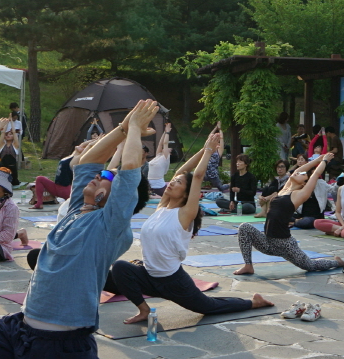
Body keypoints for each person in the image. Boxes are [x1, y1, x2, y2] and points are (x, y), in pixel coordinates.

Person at [0, 100, 156, 359]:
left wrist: (134, 128)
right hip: (20, 326)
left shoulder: (110, 227)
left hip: (63, 344)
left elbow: (130, 168)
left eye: (110, 178)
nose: (102, 174)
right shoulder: (79, 208)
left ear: (117, 198)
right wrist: (123, 128)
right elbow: (89, 160)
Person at [111, 131, 273, 324]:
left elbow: (196, 176)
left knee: (208, 307)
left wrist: (209, 151)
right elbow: (183, 172)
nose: (172, 182)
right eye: (173, 181)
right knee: (120, 268)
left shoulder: (186, 213)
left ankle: (253, 303)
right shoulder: (163, 205)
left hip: (172, 281)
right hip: (149, 276)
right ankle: (144, 310)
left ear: (187, 193)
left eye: (177, 182)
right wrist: (204, 148)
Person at [234, 153, 344, 276]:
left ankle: (336, 263)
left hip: (284, 244)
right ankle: (248, 266)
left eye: (303, 175)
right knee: (244, 227)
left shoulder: (300, 194)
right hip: (267, 241)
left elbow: (314, 176)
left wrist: (324, 161)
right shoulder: (285, 189)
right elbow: (298, 170)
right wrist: (317, 160)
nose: (299, 173)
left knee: (310, 265)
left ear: (304, 183)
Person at [31, 141, 85, 209]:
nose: (79, 147)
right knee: (39, 178)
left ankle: (70, 204)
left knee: (71, 205)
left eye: (81, 148)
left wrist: (93, 143)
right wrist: (91, 141)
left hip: (66, 190)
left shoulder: (76, 159)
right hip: (56, 187)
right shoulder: (71, 156)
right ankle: (39, 204)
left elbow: (87, 150)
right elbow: (81, 145)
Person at [146, 123, 172, 196]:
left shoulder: (166, 158)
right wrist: (164, 132)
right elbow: (160, 144)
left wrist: (167, 133)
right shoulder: (159, 156)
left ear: (171, 153)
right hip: (150, 186)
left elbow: (165, 143)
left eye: (169, 148)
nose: (167, 148)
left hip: (159, 186)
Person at [203, 123, 228, 192]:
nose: (217, 145)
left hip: (213, 175)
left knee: (221, 188)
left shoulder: (218, 152)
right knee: (192, 179)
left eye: (218, 144)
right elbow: (209, 138)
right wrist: (215, 128)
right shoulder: (208, 149)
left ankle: (230, 184)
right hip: (204, 172)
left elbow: (221, 138)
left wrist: (220, 129)